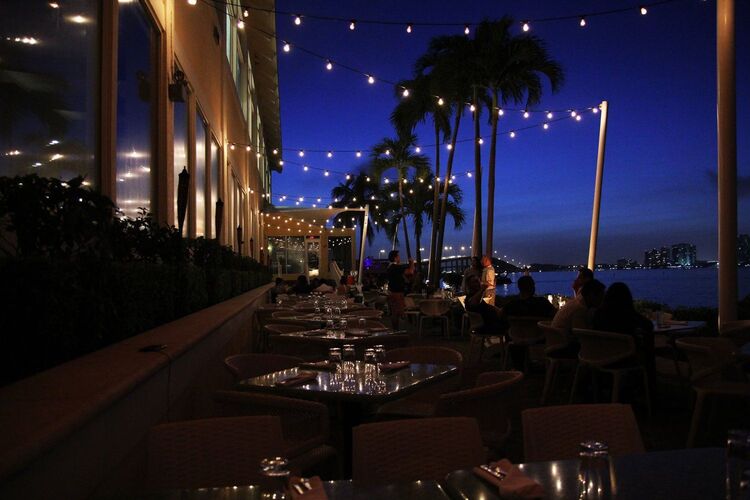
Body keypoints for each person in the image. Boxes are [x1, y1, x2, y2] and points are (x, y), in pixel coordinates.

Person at [385, 250, 415, 330]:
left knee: (394, 312)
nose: (399, 258)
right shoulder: (396, 267)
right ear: (395, 258)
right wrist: (412, 263)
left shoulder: (390, 267)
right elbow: (410, 272)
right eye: (398, 256)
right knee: (400, 312)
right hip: (397, 293)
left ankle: (395, 330)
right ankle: (399, 331)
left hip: (392, 292)